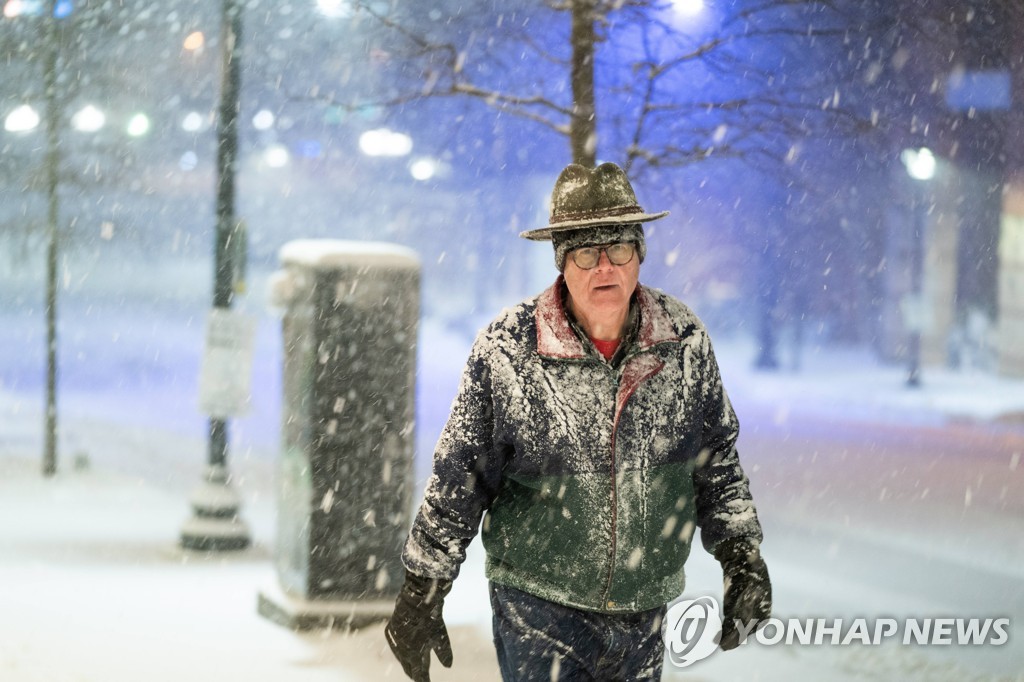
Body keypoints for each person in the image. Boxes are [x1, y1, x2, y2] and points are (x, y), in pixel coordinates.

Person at [385, 162, 771, 681]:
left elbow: (716, 460)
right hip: (540, 607)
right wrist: (422, 588)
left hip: (645, 607)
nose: (604, 267)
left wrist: (740, 556)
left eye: (619, 249)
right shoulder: (508, 349)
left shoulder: (684, 341)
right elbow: (461, 475)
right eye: (586, 252)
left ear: (640, 255)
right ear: (562, 262)